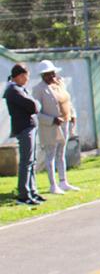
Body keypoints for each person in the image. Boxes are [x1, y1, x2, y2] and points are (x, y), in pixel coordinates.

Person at [33, 59, 80, 194]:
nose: (51, 76)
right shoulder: (39, 89)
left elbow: (67, 101)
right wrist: (51, 120)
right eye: (48, 74)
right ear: (43, 76)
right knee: (50, 155)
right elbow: (37, 112)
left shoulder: (60, 84)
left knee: (61, 154)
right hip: (50, 127)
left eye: (52, 73)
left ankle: (63, 181)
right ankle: (53, 185)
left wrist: (72, 114)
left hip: (64, 123)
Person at [4, 63, 43, 206]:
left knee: (31, 162)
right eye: (26, 76)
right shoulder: (13, 90)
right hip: (24, 128)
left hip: (30, 127)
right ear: (20, 76)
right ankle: (23, 194)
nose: (27, 79)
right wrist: (36, 104)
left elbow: (34, 105)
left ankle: (32, 190)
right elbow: (34, 106)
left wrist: (36, 104)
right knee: (26, 162)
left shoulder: (20, 89)